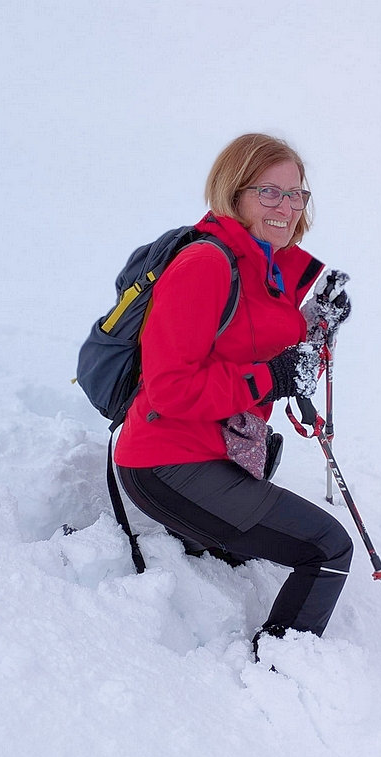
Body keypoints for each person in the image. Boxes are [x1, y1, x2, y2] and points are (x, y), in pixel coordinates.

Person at [114, 133, 353, 660]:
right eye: (269, 192)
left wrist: (317, 325)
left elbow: (273, 358)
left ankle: (202, 540)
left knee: (281, 529)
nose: (286, 207)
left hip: (214, 450)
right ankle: (281, 667)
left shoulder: (262, 267)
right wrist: (272, 378)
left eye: (296, 194)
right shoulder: (206, 264)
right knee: (328, 549)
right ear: (234, 191)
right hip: (167, 462)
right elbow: (171, 388)